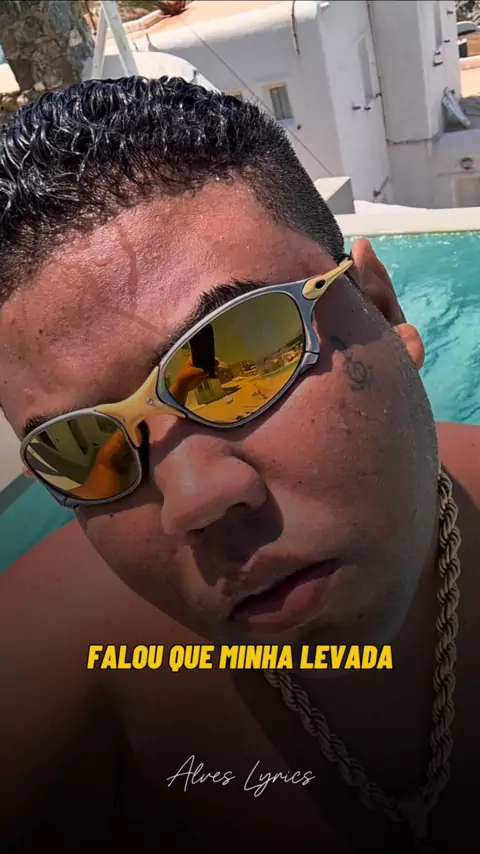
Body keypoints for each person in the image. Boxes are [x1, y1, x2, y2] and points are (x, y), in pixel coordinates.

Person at [0, 77, 478, 854]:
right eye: (83, 448)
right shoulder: (45, 679)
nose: (192, 500)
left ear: (385, 309)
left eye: (239, 354)